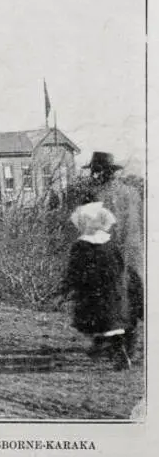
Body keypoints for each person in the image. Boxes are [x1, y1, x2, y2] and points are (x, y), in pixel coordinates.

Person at [81, 151, 143, 357]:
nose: (93, 175)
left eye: (95, 171)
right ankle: (130, 347)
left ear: (100, 172)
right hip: (133, 253)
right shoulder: (133, 192)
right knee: (130, 299)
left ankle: (114, 348)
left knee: (105, 300)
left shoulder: (94, 195)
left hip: (106, 254)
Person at [61, 201, 132, 370]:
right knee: (110, 322)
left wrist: (67, 288)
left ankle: (115, 353)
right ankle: (104, 347)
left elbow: (74, 270)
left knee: (98, 320)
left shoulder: (81, 245)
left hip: (92, 291)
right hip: (113, 289)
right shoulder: (110, 243)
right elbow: (122, 265)